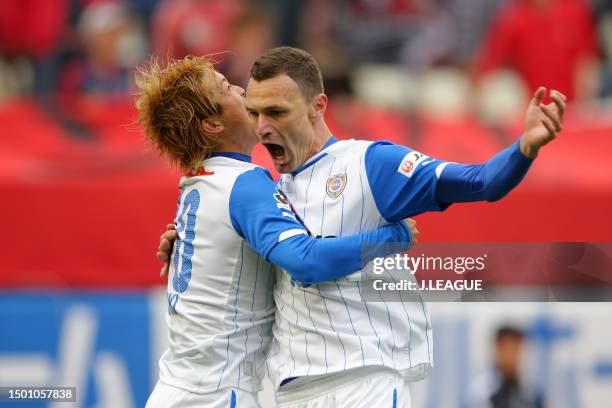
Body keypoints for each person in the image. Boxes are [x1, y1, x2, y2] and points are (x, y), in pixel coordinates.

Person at [158, 47, 565, 407]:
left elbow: (481, 182)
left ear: (318, 105)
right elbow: (286, 261)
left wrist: (524, 148)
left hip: (363, 380)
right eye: (254, 112)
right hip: (292, 392)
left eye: (277, 112)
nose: (263, 126)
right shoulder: (264, 192)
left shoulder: (371, 165)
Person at [136, 55, 417, 408]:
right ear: (212, 125)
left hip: (178, 390)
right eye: (226, 88)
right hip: (216, 396)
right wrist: (392, 237)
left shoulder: (196, 184)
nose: (240, 89)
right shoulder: (245, 184)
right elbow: (305, 261)